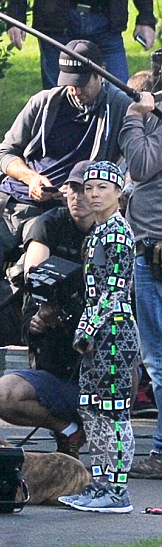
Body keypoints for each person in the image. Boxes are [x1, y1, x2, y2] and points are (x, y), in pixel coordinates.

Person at [0, 40, 132, 331]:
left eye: (81, 83)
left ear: (100, 74)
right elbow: (4, 154)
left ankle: (29, 344)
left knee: (34, 277)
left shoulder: (119, 107)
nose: (74, 89)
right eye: (69, 82)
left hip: (60, 213)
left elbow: (138, 153)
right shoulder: (44, 103)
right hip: (11, 203)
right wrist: (31, 178)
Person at [0, 160, 95, 459]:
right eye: (73, 189)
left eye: (86, 190)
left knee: (129, 367)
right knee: (1, 394)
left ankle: (109, 458)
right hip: (57, 363)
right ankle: (68, 430)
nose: (78, 197)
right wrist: (43, 312)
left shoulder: (114, 234)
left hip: (99, 365)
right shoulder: (48, 224)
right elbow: (35, 275)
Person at [59, 161, 138, 513]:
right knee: (91, 408)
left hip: (115, 332)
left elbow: (115, 290)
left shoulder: (117, 233)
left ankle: (116, 490)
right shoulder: (98, 232)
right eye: (88, 187)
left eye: (102, 188)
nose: (93, 194)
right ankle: (101, 482)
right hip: (99, 332)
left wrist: (87, 327)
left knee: (113, 411)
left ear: (118, 192)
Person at [119, 90, 162, 479]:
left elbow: (141, 164)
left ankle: (161, 453)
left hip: (155, 256)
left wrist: (134, 116)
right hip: (150, 252)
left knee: (158, 361)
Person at [7, 0, 156, 89]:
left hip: (106, 21)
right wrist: (15, 15)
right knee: (56, 97)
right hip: (56, 19)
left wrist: (146, 18)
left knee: (119, 94)